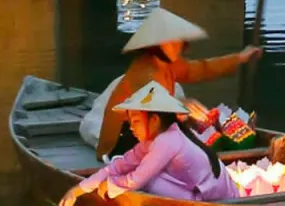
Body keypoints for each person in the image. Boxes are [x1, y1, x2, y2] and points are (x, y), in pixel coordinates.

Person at [88, 8, 261, 160]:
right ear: (157, 44)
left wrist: (239, 58)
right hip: (125, 139)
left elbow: (202, 68)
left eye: (178, 41)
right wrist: (181, 106)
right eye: (171, 42)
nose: (177, 46)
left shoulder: (170, 65)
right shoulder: (143, 69)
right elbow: (151, 99)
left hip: (153, 132)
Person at [61, 82, 238, 205]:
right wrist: (78, 189)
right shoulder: (153, 141)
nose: (131, 128)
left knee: (149, 181)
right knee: (134, 170)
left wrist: (110, 185)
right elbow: (119, 166)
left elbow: (135, 180)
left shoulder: (167, 140)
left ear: (154, 120)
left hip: (217, 199)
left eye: (136, 121)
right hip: (197, 192)